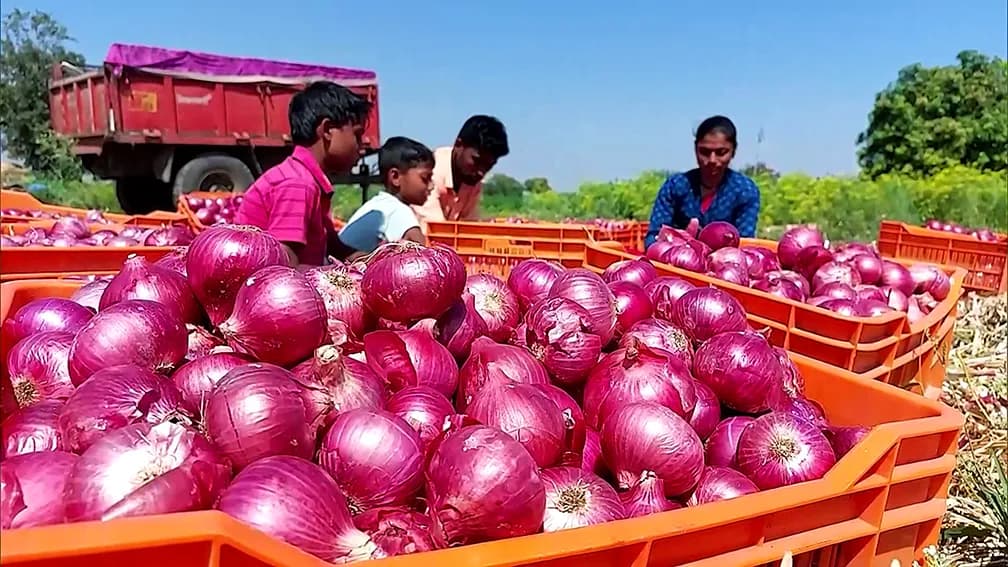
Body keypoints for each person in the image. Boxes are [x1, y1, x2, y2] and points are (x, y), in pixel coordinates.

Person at [235, 81, 371, 266]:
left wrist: (371, 261)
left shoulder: (308, 179)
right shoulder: (298, 184)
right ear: (328, 130)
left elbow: (333, 245)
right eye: (357, 135)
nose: (361, 146)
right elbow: (285, 267)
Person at [644, 115, 760, 248]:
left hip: (722, 264)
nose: (712, 160)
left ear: (733, 151)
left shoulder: (745, 191)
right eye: (705, 152)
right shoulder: (676, 186)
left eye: (721, 152)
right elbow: (654, 236)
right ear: (695, 149)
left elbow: (744, 243)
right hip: (674, 263)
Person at [332, 137, 433, 260]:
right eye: (425, 178)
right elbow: (425, 257)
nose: (431, 186)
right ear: (395, 177)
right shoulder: (397, 210)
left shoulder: (380, 204)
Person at [412, 115, 510, 228]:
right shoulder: (430, 173)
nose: (481, 172)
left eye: (488, 166)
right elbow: (434, 231)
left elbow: (468, 227)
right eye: (476, 161)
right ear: (459, 144)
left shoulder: (472, 181)